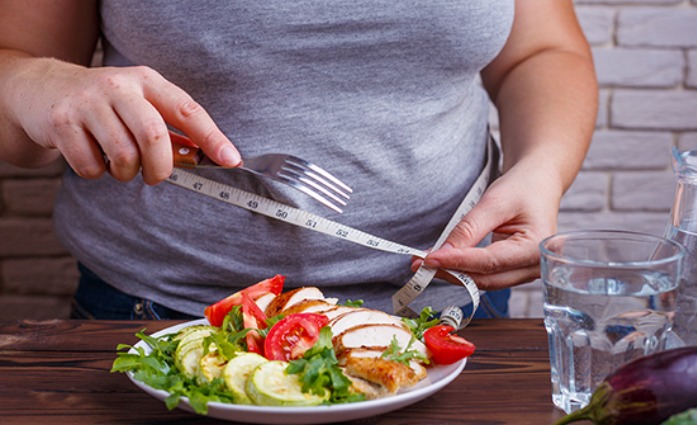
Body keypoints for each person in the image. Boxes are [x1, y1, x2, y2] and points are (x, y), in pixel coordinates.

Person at [0, 0, 597, 320]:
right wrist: (39, 83)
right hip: (159, 314)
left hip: (447, 308)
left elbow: (543, 51)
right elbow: (18, 103)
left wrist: (542, 168)